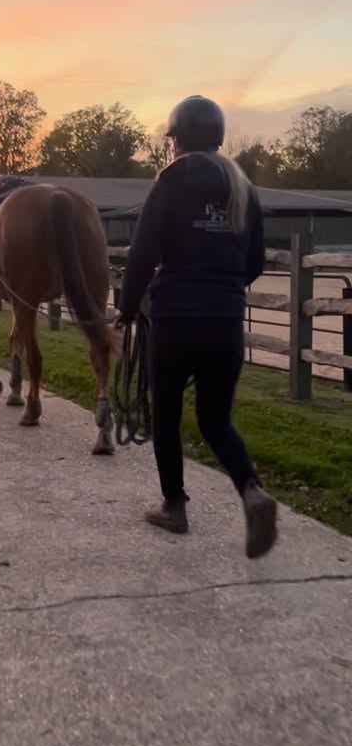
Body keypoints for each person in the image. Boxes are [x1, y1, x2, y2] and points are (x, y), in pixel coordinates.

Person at [117, 94, 278, 559]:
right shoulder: (242, 187)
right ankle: (251, 491)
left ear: (178, 140)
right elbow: (254, 261)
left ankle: (174, 506)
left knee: (165, 412)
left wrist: (128, 307)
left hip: (176, 321)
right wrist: (223, 290)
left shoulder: (168, 184)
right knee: (215, 419)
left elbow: (143, 253)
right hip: (226, 322)